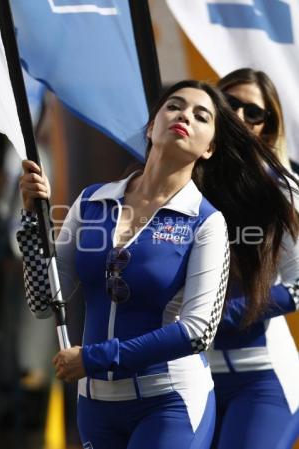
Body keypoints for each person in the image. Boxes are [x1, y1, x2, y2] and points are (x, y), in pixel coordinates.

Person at [17, 80, 297, 449]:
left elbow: (198, 331)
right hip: (96, 404)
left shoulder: (206, 220)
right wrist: (32, 221)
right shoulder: (89, 202)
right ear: (151, 126)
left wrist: (96, 357)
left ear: (211, 147)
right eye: (174, 106)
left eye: (201, 115)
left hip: (170, 401)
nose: (185, 116)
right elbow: (43, 301)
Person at [207, 68, 299, 449]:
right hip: (189, 377)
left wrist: (220, 316)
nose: (240, 118)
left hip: (263, 378)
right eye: (230, 104)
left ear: (268, 126)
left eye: (254, 112)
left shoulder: (281, 191)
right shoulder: (174, 186)